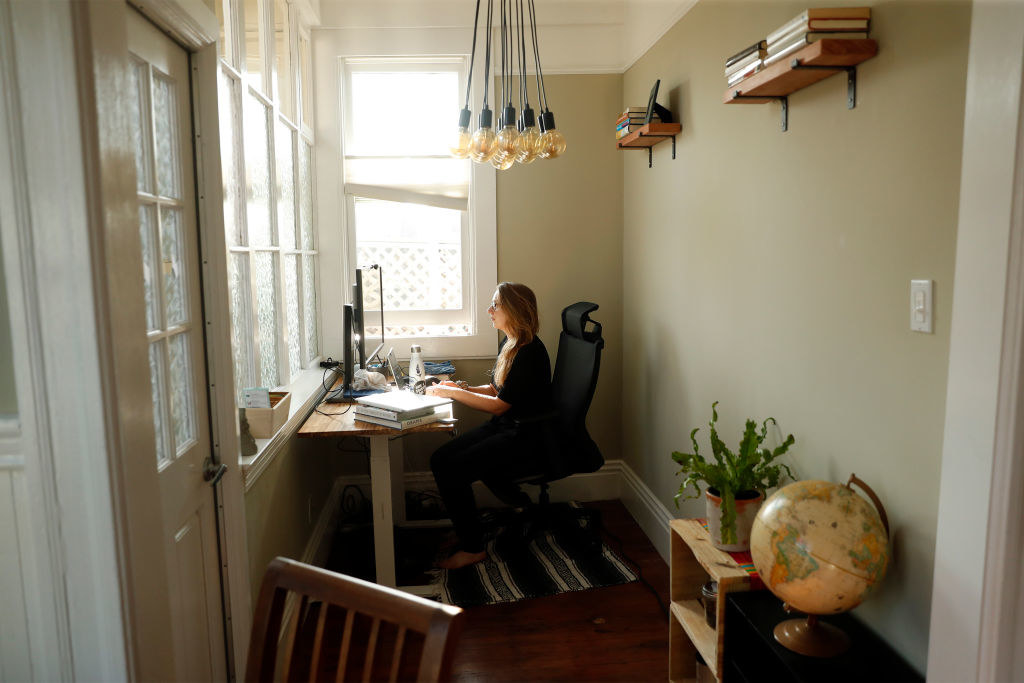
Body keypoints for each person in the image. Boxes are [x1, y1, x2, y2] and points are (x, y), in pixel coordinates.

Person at [426, 282, 552, 569]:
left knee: (453, 469)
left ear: (515, 309)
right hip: (505, 425)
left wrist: (454, 394)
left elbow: (499, 405)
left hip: (523, 435)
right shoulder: (511, 343)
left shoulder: (530, 352)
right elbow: (498, 390)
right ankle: (466, 532)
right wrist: (460, 386)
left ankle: (473, 547)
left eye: (496, 305)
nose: (489, 310)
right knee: (440, 459)